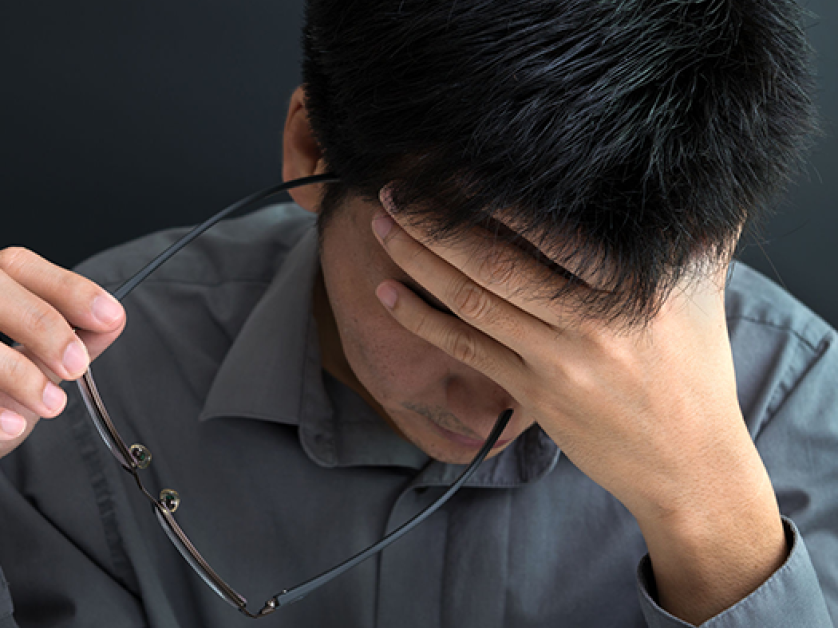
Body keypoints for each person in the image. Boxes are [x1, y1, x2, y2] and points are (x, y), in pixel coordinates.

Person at [0, 0, 835, 626]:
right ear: (312, 149)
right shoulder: (71, 382)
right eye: (448, 302)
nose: (500, 400)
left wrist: (708, 509)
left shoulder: (793, 395)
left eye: (587, 324)